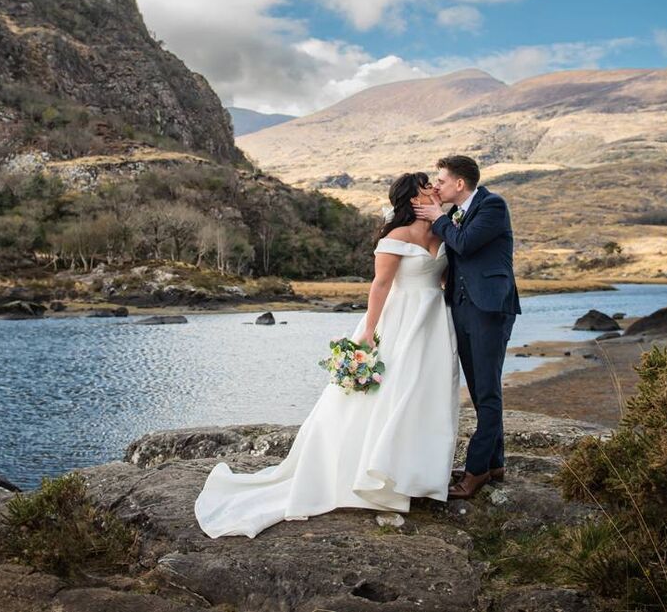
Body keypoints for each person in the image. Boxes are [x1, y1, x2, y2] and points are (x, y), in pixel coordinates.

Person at [194, 171, 460, 538]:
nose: (432, 189)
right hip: (400, 322)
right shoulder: (395, 237)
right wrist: (368, 332)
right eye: (424, 186)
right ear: (411, 198)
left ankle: (415, 474)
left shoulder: (444, 230)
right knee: (390, 394)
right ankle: (375, 477)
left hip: (433, 322)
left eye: (433, 184)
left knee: (422, 396)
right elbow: (380, 285)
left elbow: (446, 278)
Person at [411, 154, 522, 500]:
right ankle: (495, 463)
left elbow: (465, 243)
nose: (437, 185)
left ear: (460, 184)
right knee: (479, 388)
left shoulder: (492, 206)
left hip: (489, 309)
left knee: (487, 389)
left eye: (441, 181)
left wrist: (439, 219)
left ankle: (475, 472)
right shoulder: (457, 212)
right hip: (463, 308)